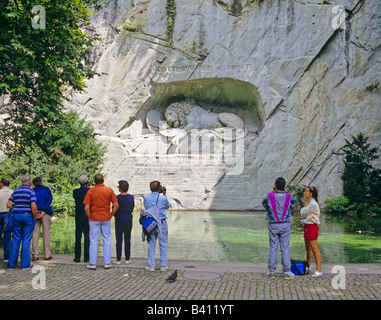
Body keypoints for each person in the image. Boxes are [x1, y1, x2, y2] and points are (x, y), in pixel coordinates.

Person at [262, 177, 297, 279]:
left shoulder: (269, 196)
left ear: (275, 185)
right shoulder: (289, 196)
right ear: (285, 187)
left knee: (273, 247)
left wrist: (273, 191)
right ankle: (287, 271)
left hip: (273, 225)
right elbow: (293, 204)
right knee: (285, 248)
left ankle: (271, 271)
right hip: (285, 225)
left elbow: (265, 204)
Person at [84, 174, 119, 270]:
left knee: (93, 240)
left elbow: (86, 207)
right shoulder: (109, 190)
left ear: (94, 181)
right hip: (106, 217)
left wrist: (89, 216)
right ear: (103, 180)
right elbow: (116, 205)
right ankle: (107, 263)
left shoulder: (91, 191)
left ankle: (92, 263)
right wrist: (111, 214)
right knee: (107, 240)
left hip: (94, 218)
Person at [7, 175, 37, 270]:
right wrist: (35, 216)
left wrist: (17, 207)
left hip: (16, 216)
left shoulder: (15, 191)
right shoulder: (31, 191)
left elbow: (8, 205)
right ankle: (25, 265)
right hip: (27, 216)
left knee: (15, 239)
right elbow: (33, 206)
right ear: (29, 182)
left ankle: (11, 265)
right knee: (26, 240)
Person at [143, 181, 171, 272]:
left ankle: (151, 266)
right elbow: (167, 206)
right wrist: (164, 194)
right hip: (161, 222)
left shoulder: (146, 198)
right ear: (159, 189)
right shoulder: (163, 198)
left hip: (151, 223)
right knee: (163, 243)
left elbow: (146, 207)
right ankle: (163, 265)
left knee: (151, 243)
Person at [300, 186, 322, 277]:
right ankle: (307, 267)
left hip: (312, 226)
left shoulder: (312, 203)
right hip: (307, 226)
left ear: (311, 194)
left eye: (306, 191)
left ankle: (319, 270)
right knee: (307, 248)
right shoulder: (309, 202)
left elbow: (302, 213)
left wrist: (303, 208)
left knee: (314, 248)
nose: (304, 193)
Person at [31, 177, 54, 261]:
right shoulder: (47, 189)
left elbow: (31, 202)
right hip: (46, 213)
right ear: (41, 182)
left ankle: (35, 255)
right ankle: (47, 255)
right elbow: (50, 200)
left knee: (35, 234)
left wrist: (36, 212)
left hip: (35, 214)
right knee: (46, 233)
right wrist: (43, 211)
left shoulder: (32, 190)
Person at [113, 180, 134, 265]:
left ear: (120, 189)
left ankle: (118, 258)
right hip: (128, 217)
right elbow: (132, 207)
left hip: (119, 217)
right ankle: (127, 258)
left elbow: (114, 208)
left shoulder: (117, 197)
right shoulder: (131, 197)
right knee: (127, 238)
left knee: (119, 239)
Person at [73, 175, 91, 263]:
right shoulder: (90, 191)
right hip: (87, 215)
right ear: (87, 182)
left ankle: (77, 257)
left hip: (78, 215)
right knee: (87, 235)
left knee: (78, 236)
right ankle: (87, 257)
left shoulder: (75, 191)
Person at [0, 178, 14, 261]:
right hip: (8, 215)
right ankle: (6, 256)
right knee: (7, 236)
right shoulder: (13, 192)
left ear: (1, 183)